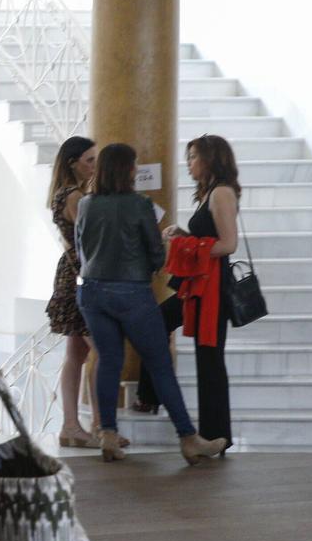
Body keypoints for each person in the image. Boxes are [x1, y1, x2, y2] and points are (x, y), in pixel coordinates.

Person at [74, 144, 228, 464]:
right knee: (159, 365)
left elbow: (80, 248)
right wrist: (158, 253)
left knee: (108, 361)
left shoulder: (86, 204)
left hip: (91, 292)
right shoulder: (139, 204)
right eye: (133, 165)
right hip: (131, 293)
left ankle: (108, 436)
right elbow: (156, 254)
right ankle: (188, 438)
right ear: (127, 170)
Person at [133, 134, 240, 453]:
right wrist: (185, 235)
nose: (188, 163)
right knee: (154, 324)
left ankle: (217, 435)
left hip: (211, 286)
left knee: (209, 358)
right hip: (196, 282)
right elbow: (209, 237)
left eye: (193, 156)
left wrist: (188, 244)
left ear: (210, 159)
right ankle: (150, 397)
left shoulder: (221, 192)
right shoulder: (209, 192)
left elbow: (228, 244)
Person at [45, 135, 106, 449]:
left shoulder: (64, 193)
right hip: (81, 274)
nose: (94, 166)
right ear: (73, 163)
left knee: (76, 354)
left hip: (70, 273)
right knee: (104, 351)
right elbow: (91, 240)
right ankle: (98, 423)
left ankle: (72, 424)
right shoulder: (75, 197)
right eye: (90, 160)